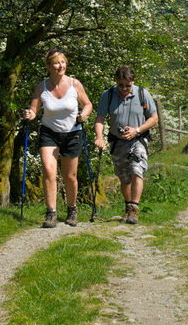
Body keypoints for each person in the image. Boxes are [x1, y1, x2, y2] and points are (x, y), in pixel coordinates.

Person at [22, 49, 93, 228]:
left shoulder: (74, 84)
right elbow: (34, 110)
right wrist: (29, 114)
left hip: (72, 132)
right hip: (49, 133)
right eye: (56, 63)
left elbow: (88, 104)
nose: (60, 66)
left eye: (63, 62)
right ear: (48, 66)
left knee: (70, 176)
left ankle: (72, 209)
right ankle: (51, 212)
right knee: (49, 170)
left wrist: (84, 114)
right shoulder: (42, 87)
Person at [94, 66, 158, 224]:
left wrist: (137, 130)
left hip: (138, 140)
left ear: (133, 81)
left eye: (127, 85)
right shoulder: (108, 95)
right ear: (116, 82)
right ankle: (128, 207)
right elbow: (100, 118)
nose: (124, 89)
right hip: (118, 142)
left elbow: (154, 118)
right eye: (120, 85)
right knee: (124, 178)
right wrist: (99, 137)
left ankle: (134, 209)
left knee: (137, 170)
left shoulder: (143, 93)